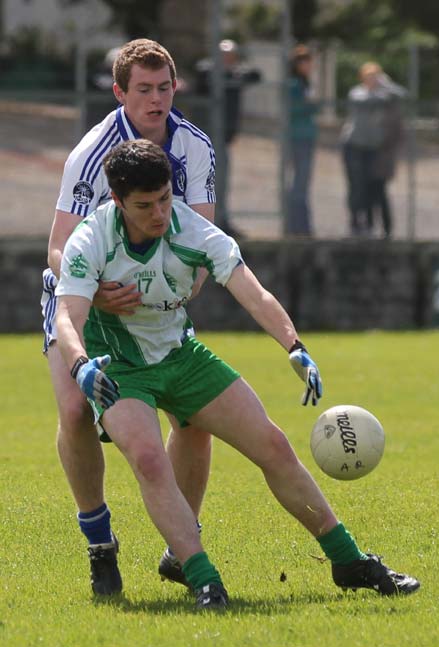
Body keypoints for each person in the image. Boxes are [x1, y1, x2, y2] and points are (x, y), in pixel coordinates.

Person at [55, 139, 420, 610]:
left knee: (272, 444)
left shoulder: (194, 231)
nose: (159, 213)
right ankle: (205, 579)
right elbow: (68, 315)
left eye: (165, 198)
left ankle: (348, 561)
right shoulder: (92, 237)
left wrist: (294, 346)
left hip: (182, 356)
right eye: (144, 206)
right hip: (118, 369)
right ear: (118, 200)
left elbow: (254, 293)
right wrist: (81, 365)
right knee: (147, 459)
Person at [40, 38, 217, 596]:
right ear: (120, 93)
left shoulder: (195, 148)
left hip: (157, 304)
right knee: (74, 411)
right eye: (143, 89)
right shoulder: (92, 153)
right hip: (86, 297)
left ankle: (180, 547)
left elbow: (205, 241)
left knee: (194, 419)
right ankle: (100, 544)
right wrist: (100, 291)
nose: (156, 99)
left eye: (164, 87)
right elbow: (57, 247)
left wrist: (173, 289)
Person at [194, 39, 261, 237]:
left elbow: (256, 75)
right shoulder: (207, 70)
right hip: (208, 137)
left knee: (222, 182)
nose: (228, 60)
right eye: (224, 56)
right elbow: (203, 74)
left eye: (231, 57)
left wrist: (234, 73)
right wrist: (227, 72)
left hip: (224, 137)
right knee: (210, 183)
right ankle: (212, 222)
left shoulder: (234, 74)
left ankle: (221, 220)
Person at [341, 62, 406, 237]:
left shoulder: (384, 93)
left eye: (375, 76)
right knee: (356, 186)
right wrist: (383, 93)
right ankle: (355, 222)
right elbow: (365, 102)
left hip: (372, 148)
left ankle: (373, 226)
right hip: (354, 146)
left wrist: (386, 84)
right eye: (369, 76)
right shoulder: (357, 92)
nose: (372, 80)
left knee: (372, 186)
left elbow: (402, 94)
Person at [287, 44, 319, 236]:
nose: (308, 66)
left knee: (304, 182)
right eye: (304, 62)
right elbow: (292, 109)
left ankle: (302, 224)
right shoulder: (294, 84)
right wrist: (309, 106)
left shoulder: (306, 83)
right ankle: (297, 225)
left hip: (307, 136)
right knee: (299, 182)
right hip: (297, 136)